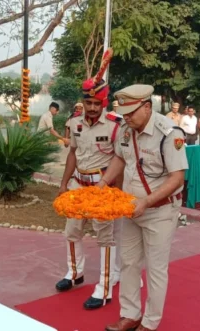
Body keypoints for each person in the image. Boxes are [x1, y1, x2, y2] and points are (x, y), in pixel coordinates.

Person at [97, 84, 188, 331]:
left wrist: (146, 202)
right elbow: (119, 157)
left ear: (147, 107)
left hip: (159, 211)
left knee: (156, 269)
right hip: (130, 209)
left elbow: (177, 178)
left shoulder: (170, 133)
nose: (126, 118)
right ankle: (130, 314)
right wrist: (104, 183)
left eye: (131, 113)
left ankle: (149, 322)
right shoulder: (126, 130)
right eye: (123, 114)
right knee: (127, 262)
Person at [56, 49, 124, 310]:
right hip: (78, 184)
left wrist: (112, 190)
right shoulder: (75, 123)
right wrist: (63, 183)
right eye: (89, 103)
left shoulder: (115, 125)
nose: (93, 108)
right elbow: (73, 153)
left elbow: (121, 159)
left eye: (97, 103)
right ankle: (74, 273)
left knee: (105, 237)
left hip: (102, 186)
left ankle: (104, 288)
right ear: (83, 102)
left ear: (104, 102)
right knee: (72, 231)